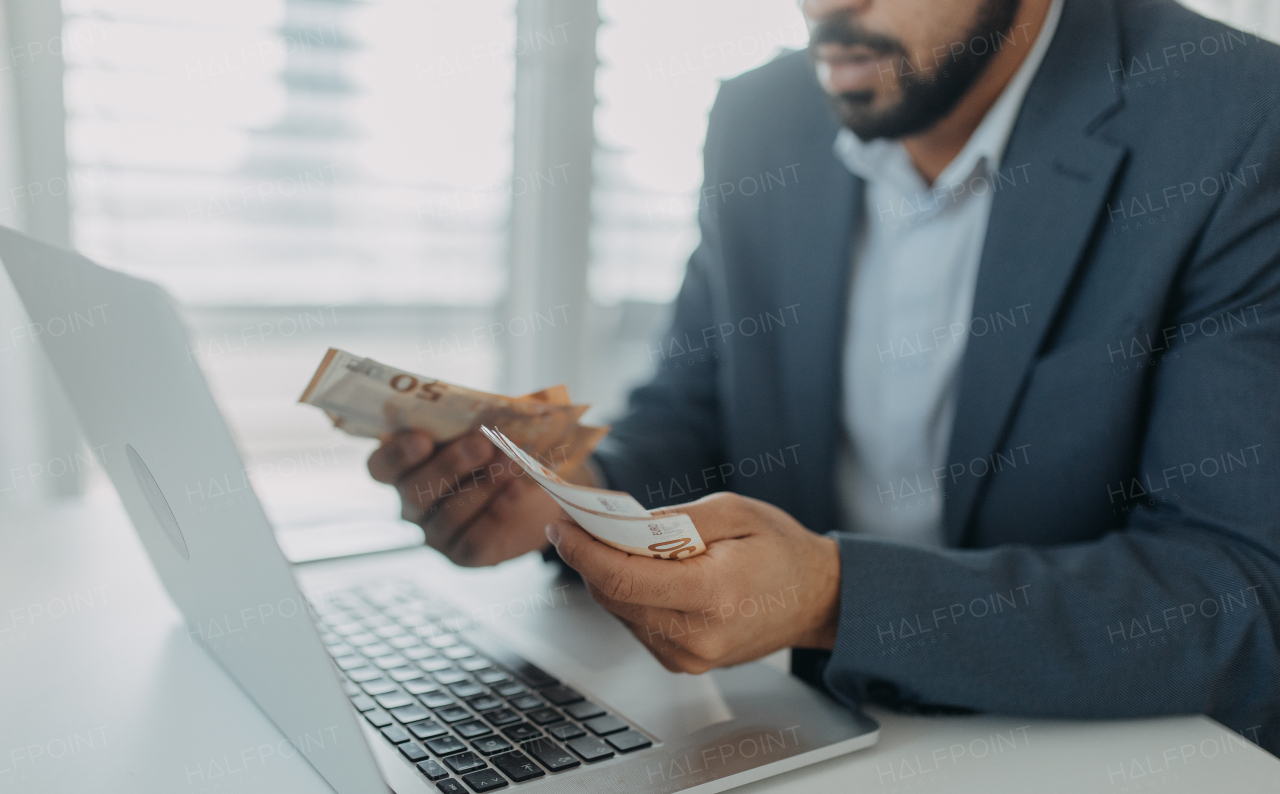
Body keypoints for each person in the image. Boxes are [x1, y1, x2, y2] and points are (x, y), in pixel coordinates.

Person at [369, 0, 1280, 755]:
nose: (825, 9)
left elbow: (1241, 592)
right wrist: (570, 493)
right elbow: (693, 417)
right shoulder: (759, 119)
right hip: (789, 730)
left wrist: (836, 596)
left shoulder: (1237, 121)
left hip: (1095, 757)